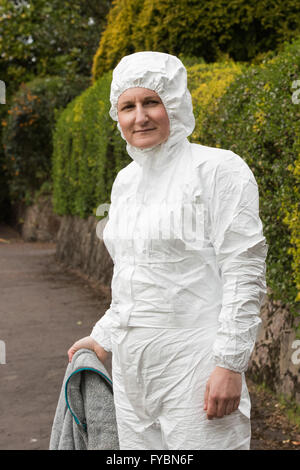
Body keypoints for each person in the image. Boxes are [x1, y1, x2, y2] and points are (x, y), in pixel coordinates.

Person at [67, 51, 268, 450]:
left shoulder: (218, 169)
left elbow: (244, 271)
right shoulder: (125, 183)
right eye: (128, 106)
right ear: (117, 115)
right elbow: (133, 275)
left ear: (174, 103)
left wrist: (229, 364)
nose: (139, 117)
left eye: (151, 102)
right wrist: (103, 336)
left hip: (194, 363)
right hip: (131, 370)